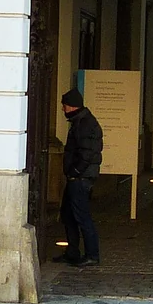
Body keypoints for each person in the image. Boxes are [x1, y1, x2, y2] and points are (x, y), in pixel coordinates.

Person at [56, 88, 103, 267]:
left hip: (80, 179)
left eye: (64, 105)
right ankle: (72, 252)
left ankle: (92, 254)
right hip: (77, 177)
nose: (63, 109)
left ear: (72, 106)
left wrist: (75, 171)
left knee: (82, 217)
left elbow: (87, 153)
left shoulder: (84, 124)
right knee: (68, 215)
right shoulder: (81, 122)